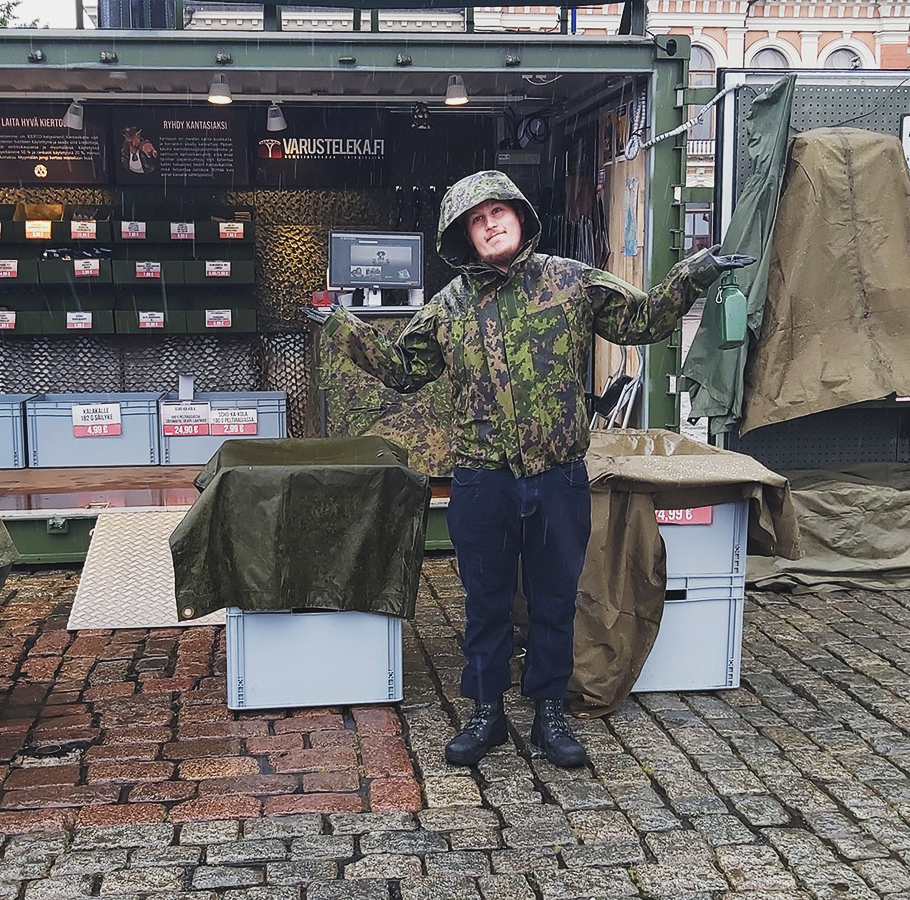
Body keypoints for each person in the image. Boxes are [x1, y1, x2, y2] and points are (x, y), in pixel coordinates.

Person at [306, 170, 753, 768]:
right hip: (481, 480)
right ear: (464, 236)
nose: (490, 223)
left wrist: (693, 273)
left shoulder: (570, 282)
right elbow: (401, 369)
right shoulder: (449, 308)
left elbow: (641, 322)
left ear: (519, 217)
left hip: (558, 477)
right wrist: (342, 324)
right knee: (485, 601)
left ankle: (549, 713)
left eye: (499, 212)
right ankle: (486, 710)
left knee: (554, 599)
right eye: (476, 218)